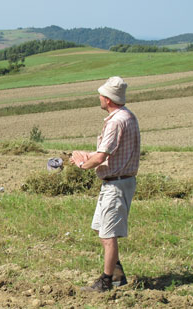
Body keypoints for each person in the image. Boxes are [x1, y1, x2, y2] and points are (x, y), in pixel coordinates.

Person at [70, 76, 140, 292]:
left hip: (116, 185)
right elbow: (110, 153)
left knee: (108, 235)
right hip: (118, 181)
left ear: (108, 99)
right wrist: (87, 155)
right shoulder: (127, 116)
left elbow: (101, 158)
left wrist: (82, 164)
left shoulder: (116, 121)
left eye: (101, 94)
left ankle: (106, 281)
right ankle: (117, 273)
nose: (99, 97)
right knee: (102, 229)